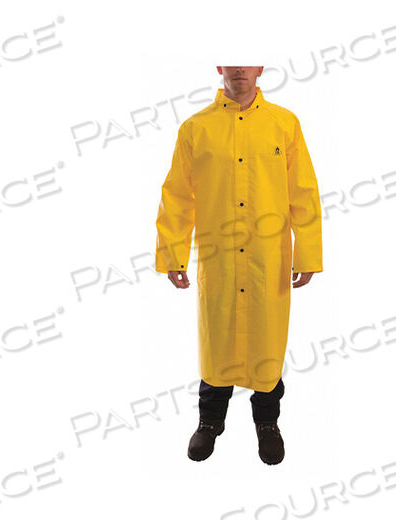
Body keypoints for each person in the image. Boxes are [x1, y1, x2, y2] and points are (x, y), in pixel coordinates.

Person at [155, 66, 323, 465]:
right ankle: (210, 421)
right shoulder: (196, 129)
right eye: (231, 59)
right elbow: (177, 196)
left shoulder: (284, 124)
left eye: (248, 59)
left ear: (260, 67)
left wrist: (308, 252)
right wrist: (172, 253)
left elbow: (303, 191)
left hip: (268, 258)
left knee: (267, 344)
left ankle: (268, 423)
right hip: (220, 261)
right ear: (219, 66)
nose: (239, 68)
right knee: (217, 343)